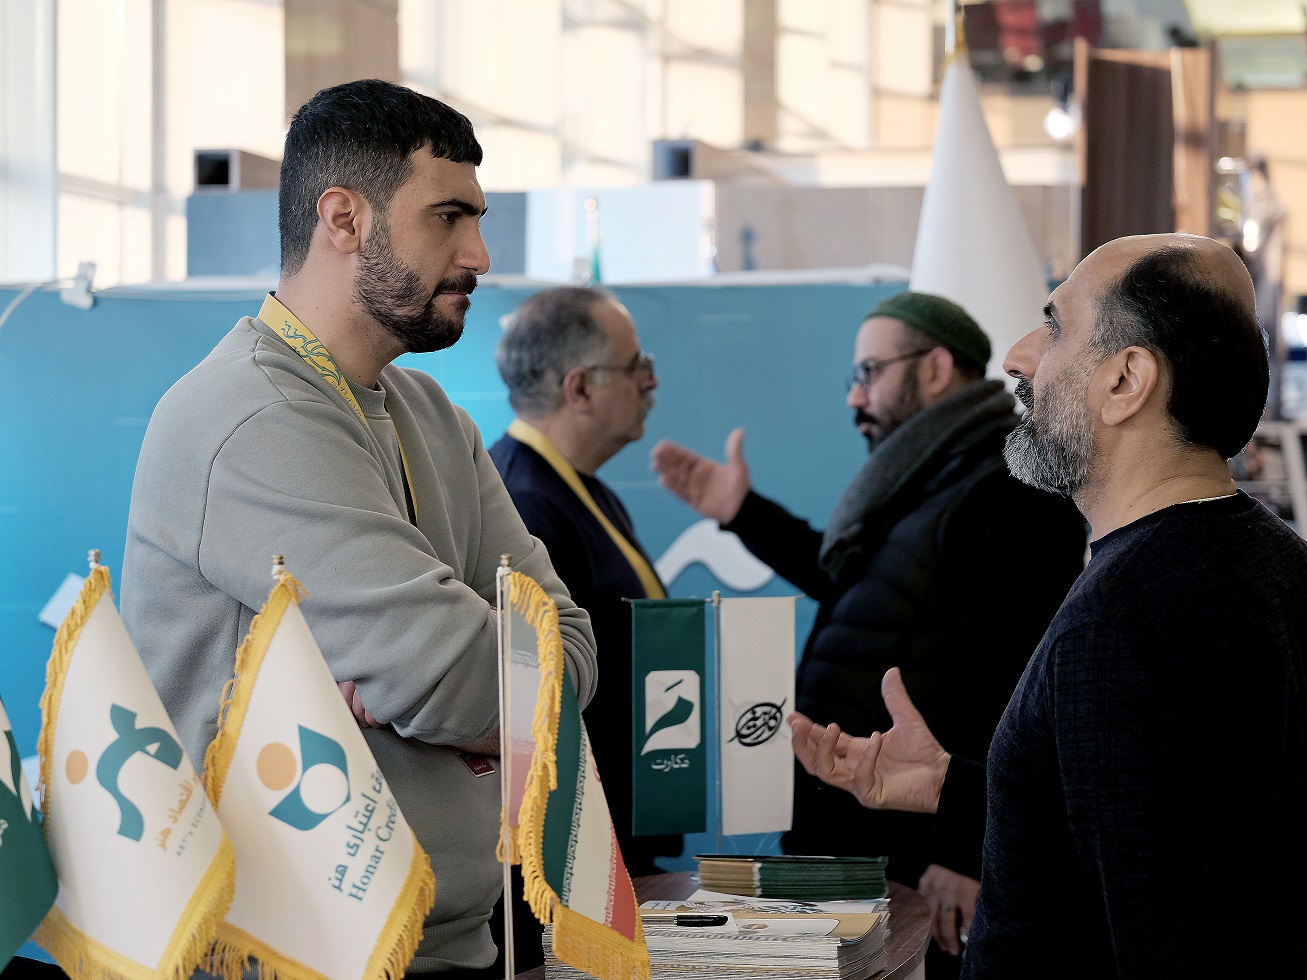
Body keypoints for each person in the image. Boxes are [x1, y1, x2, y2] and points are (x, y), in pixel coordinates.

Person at [121, 80, 597, 977]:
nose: (479, 254)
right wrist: (456, 681)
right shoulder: (248, 416)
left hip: (452, 943)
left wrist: (425, 691)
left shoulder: (437, 418)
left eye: (477, 219)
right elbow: (465, 680)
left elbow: (567, 663)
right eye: (448, 218)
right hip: (291, 958)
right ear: (343, 219)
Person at [789, 234, 1307, 977]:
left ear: (1126, 381)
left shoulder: (1119, 621)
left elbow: (1161, 938)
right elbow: (1147, 833)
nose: (1017, 357)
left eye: (1054, 328)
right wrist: (946, 786)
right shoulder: (1288, 566)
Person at [651, 291, 1086, 975]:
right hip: (860, 834)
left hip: (919, 847)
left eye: (869, 373)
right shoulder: (925, 472)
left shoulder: (1009, 486)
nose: (855, 397)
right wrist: (745, 514)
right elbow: (871, 595)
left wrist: (968, 849)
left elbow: (1020, 680)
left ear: (935, 368)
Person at [486, 287, 676, 966]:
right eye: (636, 366)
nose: (651, 382)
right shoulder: (525, 502)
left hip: (617, 833)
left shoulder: (582, 487)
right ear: (580, 388)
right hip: (568, 860)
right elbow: (535, 705)